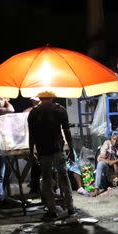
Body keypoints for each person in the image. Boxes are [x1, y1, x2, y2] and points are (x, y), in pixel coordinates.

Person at [28, 91, 77, 220]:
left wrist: (30, 151)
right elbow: (66, 131)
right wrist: (71, 149)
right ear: (53, 96)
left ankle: (51, 209)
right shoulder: (59, 110)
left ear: (39, 97)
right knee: (63, 178)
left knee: (46, 180)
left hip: (43, 151)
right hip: (57, 150)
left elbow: (31, 134)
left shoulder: (34, 112)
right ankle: (70, 207)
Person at [0, 97, 21, 208]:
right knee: (0, 173)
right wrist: (7, 100)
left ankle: (5, 196)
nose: (0, 101)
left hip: (7, 144)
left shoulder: (3, 112)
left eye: (1, 99)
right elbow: (11, 109)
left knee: (7, 172)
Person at [24, 97, 42, 195]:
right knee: (35, 165)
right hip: (33, 143)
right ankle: (35, 188)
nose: (35, 102)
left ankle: (37, 188)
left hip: (44, 144)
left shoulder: (46, 111)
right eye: (34, 101)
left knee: (41, 166)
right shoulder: (28, 111)